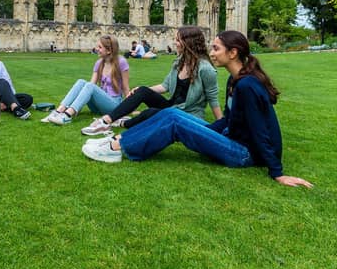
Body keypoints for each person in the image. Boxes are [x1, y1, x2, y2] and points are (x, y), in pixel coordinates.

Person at [81, 31, 314, 188]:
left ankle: (115, 147)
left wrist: (277, 172)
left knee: (175, 121)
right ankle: (118, 140)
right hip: (231, 137)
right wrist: (204, 131)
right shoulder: (236, 81)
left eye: (216, 48)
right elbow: (230, 120)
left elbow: (261, 130)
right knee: (173, 114)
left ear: (233, 53)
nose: (211, 53)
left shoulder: (247, 85)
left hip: (245, 154)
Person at [82, 26, 223, 135]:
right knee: (142, 90)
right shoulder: (179, 62)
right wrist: (141, 90)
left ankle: (121, 123)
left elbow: (213, 98)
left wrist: (220, 125)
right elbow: (164, 86)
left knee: (150, 113)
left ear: (188, 42)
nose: (175, 43)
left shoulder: (205, 69)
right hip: (171, 105)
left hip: (186, 112)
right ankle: (108, 119)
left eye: (178, 40)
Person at [44, 35, 130, 125]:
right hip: (97, 106)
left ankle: (67, 115)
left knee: (90, 86)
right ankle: (58, 111)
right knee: (81, 82)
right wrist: (79, 103)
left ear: (109, 50)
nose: (96, 49)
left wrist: (130, 108)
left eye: (100, 47)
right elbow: (89, 86)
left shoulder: (121, 62)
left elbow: (125, 87)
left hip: (113, 106)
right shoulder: (99, 63)